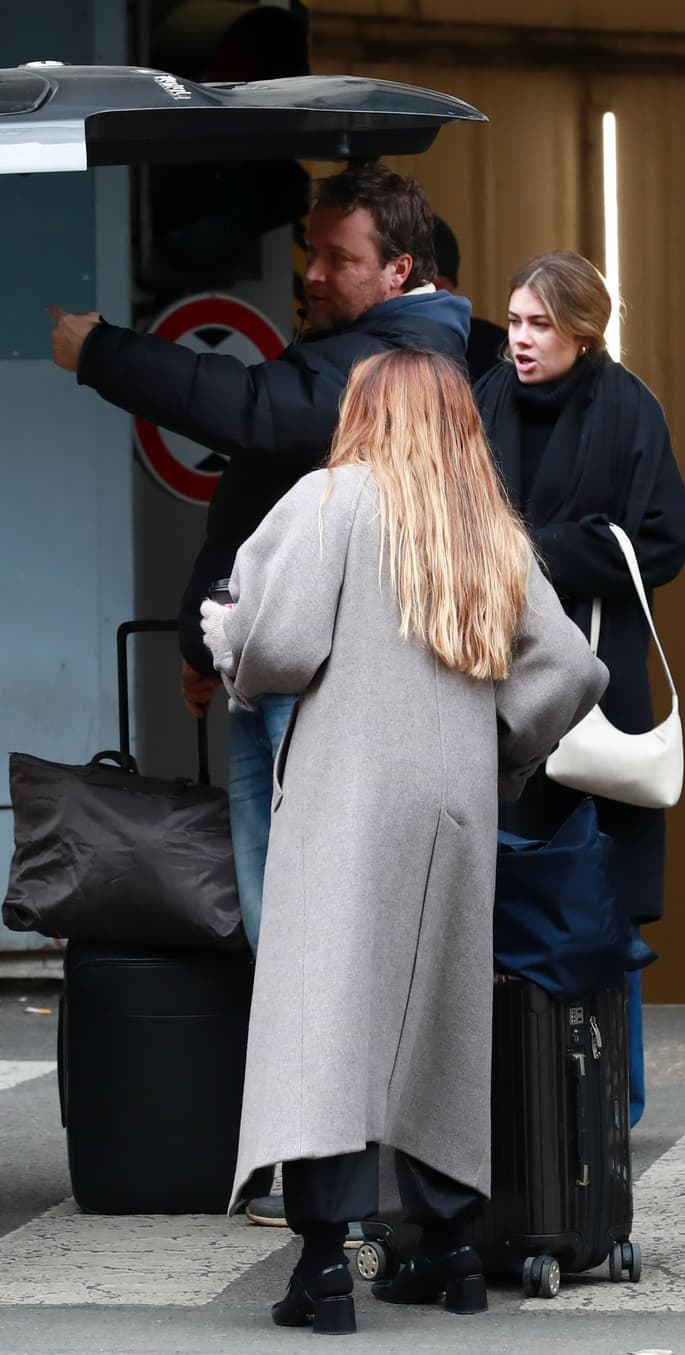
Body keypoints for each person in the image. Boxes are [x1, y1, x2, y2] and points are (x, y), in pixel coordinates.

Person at [49, 161, 474, 1230]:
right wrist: (210, 628)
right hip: (268, 669)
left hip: (315, 685)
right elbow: (255, 489)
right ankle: (315, 1158)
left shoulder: (400, 356)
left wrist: (103, 350)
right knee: (283, 928)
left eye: (340, 259)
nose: (314, 276)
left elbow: (253, 411)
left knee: (312, 936)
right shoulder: (355, 346)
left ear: (399, 270)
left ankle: (341, 1175)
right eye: (309, 255)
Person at [199, 348, 607, 1335]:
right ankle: (455, 1247)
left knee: (328, 1021)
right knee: (438, 1019)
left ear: (365, 412)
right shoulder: (484, 522)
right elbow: (571, 666)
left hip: (348, 788)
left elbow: (280, 640)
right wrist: (497, 743)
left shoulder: (333, 497)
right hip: (453, 799)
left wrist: (225, 634)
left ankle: (323, 1267)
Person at [474, 250, 685, 1124]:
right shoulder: (480, 399)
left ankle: (611, 1102)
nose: (520, 340)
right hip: (495, 685)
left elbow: (664, 541)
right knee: (505, 887)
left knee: (599, 899)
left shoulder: (629, 409)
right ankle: (518, 1101)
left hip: (597, 685)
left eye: (539, 324)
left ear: (582, 330)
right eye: (515, 321)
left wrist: (537, 554)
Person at [430, 215, 507, 383]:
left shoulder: (494, 348)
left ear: (452, 286)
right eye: (415, 289)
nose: (427, 300)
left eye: (436, 289)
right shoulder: (371, 348)